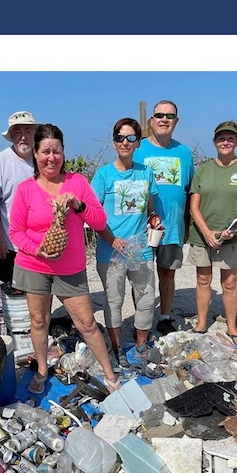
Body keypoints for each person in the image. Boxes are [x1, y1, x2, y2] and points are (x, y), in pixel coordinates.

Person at [8, 123, 120, 393]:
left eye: (56, 151)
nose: (51, 157)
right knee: (38, 321)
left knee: (87, 323)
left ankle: (110, 375)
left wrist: (78, 205)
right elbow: (16, 232)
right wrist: (38, 250)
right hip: (33, 265)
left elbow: (100, 220)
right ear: (35, 154)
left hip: (69, 268)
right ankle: (43, 370)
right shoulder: (25, 189)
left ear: (63, 153)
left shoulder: (77, 183)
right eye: (45, 151)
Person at [91, 118, 159, 369]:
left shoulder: (146, 172)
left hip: (140, 249)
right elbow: (93, 216)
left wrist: (155, 221)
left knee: (146, 298)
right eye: (120, 137)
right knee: (114, 301)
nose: (125, 143)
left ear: (138, 142)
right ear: (114, 142)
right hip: (111, 251)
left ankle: (141, 345)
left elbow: (151, 209)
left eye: (131, 138)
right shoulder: (103, 175)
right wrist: (112, 239)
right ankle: (117, 348)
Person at [187, 121, 237, 348]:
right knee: (203, 279)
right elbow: (193, 206)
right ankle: (201, 324)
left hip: (231, 236)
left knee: (229, 282)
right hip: (202, 235)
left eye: (230, 138)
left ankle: (232, 328)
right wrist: (206, 232)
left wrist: (234, 229)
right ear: (214, 141)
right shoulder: (203, 170)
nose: (225, 142)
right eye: (221, 138)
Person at [133, 100, 195, 336]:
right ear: (151, 120)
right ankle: (142, 319)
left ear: (176, 122)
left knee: (167, 273)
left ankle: (165, 317)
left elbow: (190, 192)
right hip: (142, 228)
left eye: (169, 116)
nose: (164, 120)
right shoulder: (138, 150)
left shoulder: (184, 153)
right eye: (159, 115)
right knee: (141, 275)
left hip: (173, 226)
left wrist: (187, 225)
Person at [0, 110, 38, 288]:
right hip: (12, 244)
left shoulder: (44, 158)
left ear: (35, 134)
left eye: (28, 131)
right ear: (11, 136)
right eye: (17, 132)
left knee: (42, 291)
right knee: (14, 295)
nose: (23, 137)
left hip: (41, 243)